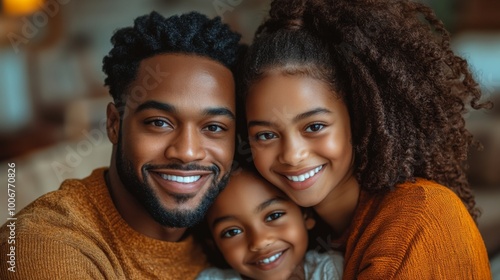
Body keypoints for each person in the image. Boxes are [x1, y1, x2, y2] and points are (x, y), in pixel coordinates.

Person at [240, 0, 493, 279]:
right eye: (266, 135)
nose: (291, 154)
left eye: (314, 126)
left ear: (358, 118)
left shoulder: (418, 221)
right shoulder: (301, 238)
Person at [0, 11, 243, 279]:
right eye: (159, 123)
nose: (186, 152)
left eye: (214, 127)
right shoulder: (48, 247)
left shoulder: (233, 233)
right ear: (114, 124)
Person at [195, 168, 343, 280]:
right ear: (214, 243)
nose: (259, 242)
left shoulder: (331, 270)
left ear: (306, 215)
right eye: (232, 232)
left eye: (274, 216)